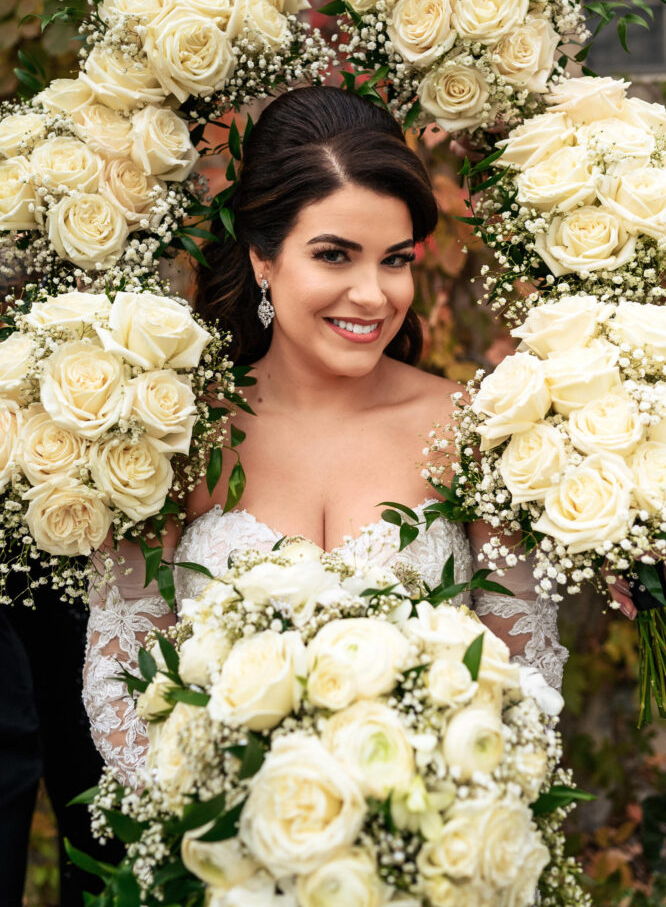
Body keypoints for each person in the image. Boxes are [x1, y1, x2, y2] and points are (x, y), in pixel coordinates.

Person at [83, 86, 569, 783]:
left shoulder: (472, 429)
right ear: (263, 257)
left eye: (395, 259)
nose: (374, 295)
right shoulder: (174, 434)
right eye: (335, 255)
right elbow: (123, 691)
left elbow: (527, 685)